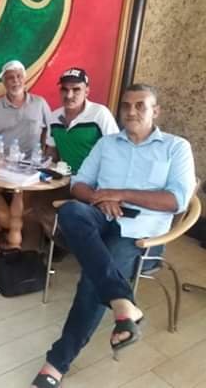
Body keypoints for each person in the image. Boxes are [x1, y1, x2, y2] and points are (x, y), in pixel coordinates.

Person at [31, 84, 196, 388]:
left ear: (155, 111)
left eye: (140, 105)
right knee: (71, 212)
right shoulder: (107, 144)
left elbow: (177, 200)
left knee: (93, 278)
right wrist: (99, 198)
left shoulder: (175, 147)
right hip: (102, 215)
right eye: (126, 106)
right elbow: (79, 185)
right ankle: (123, 303)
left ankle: (57, 362)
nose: (131, 111)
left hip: (141, 233)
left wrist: (119, 193)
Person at [0, 60, 51, 244]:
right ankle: (8, 224)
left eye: (19, 76)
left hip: (31, 165)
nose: (15, 81)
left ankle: (4, 227)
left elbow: (51, 133)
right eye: (10, 77)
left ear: (25, 79)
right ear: (4, 82)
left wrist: (45, 154)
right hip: (2, 164)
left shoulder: (40, 103)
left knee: (25, 194)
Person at [45, 67, 119, 174]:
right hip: (65, 177)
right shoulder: (54, 117)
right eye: (64, 89)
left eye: (76, 90)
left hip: (95, 179)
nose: (69, 95)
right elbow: (52, 151)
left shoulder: (100, 113)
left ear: (86, 92)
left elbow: (116, 150)